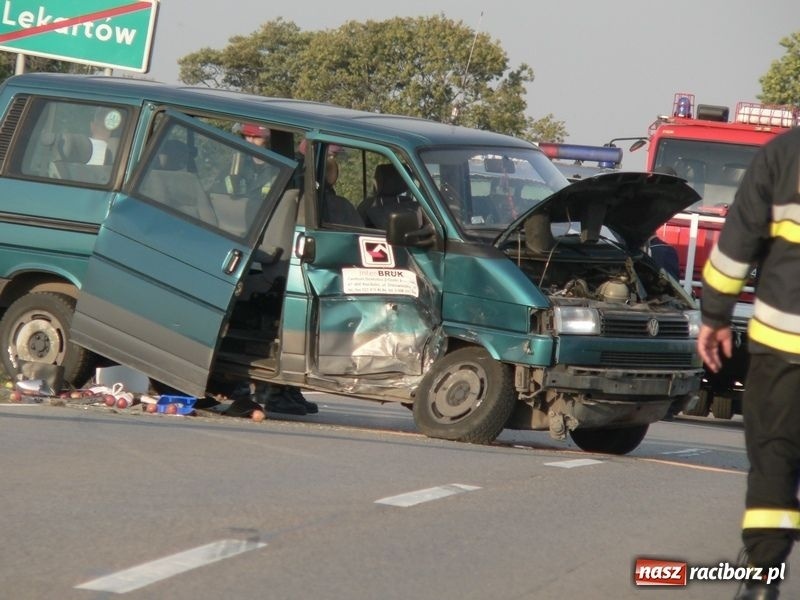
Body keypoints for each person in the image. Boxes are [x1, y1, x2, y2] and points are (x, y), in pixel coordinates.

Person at [697, 126, 800, 600]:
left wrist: (716, 315)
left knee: (774, 457)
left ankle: (762, 579)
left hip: (784, 345)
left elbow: (735, 247)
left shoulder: (784, 155)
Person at [235, 123, 318, 417]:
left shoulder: (279, 175)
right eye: (249, 137)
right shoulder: (249, 171)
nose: (254, 143)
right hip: (267, 253)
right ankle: (269, 390)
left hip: (267, 256)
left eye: (258, 137)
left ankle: (264, 390)